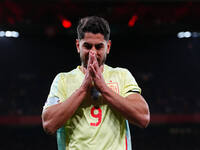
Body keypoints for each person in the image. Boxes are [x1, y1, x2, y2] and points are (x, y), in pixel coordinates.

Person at [42, 16, 150, 150]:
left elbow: (143, 117)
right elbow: (49, 124)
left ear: (108, 47)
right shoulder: (63, 79)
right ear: (78, 46)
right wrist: (83, 89)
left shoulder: (122, 75)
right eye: (87, 46)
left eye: (99, 47)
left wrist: (103, 88)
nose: (93, 52)